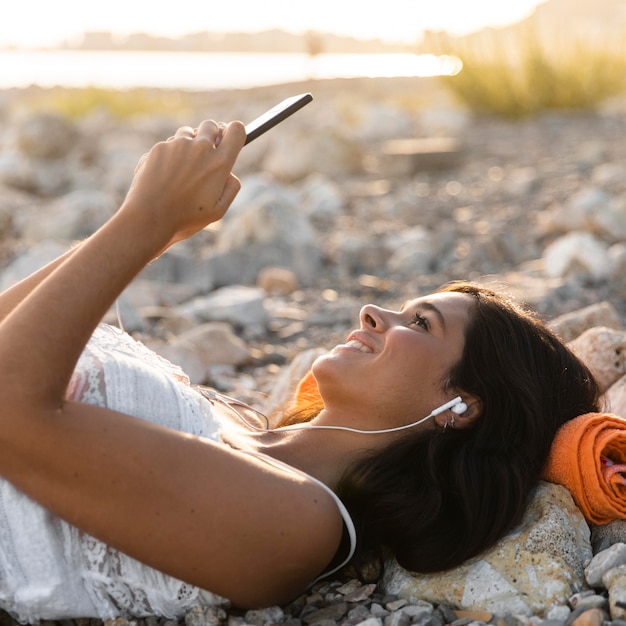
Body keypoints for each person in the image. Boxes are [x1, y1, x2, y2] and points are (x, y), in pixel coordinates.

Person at [0, 119, 602, 623]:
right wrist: (156, 235)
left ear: (463, 407)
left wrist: (143, 221)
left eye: (420, 324)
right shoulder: (232, 417)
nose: (373, 312)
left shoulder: (302, 524)